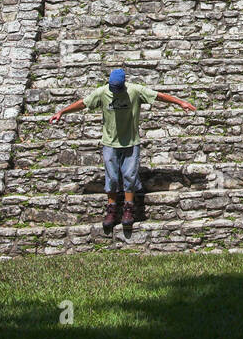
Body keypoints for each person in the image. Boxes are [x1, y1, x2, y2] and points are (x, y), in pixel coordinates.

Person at [49, 67, 196, 229]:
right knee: (111, 178)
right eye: (113, 88)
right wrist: (62, 112)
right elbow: (83, 103)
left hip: (131, 142)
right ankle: (111, 209)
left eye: (118, 88)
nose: (115, 91)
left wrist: (180, 102)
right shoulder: (102, 92)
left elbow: (158, 96)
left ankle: (128, 208)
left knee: (129, 176)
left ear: (124, 84)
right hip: (110, 143)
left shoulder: (135, 91)